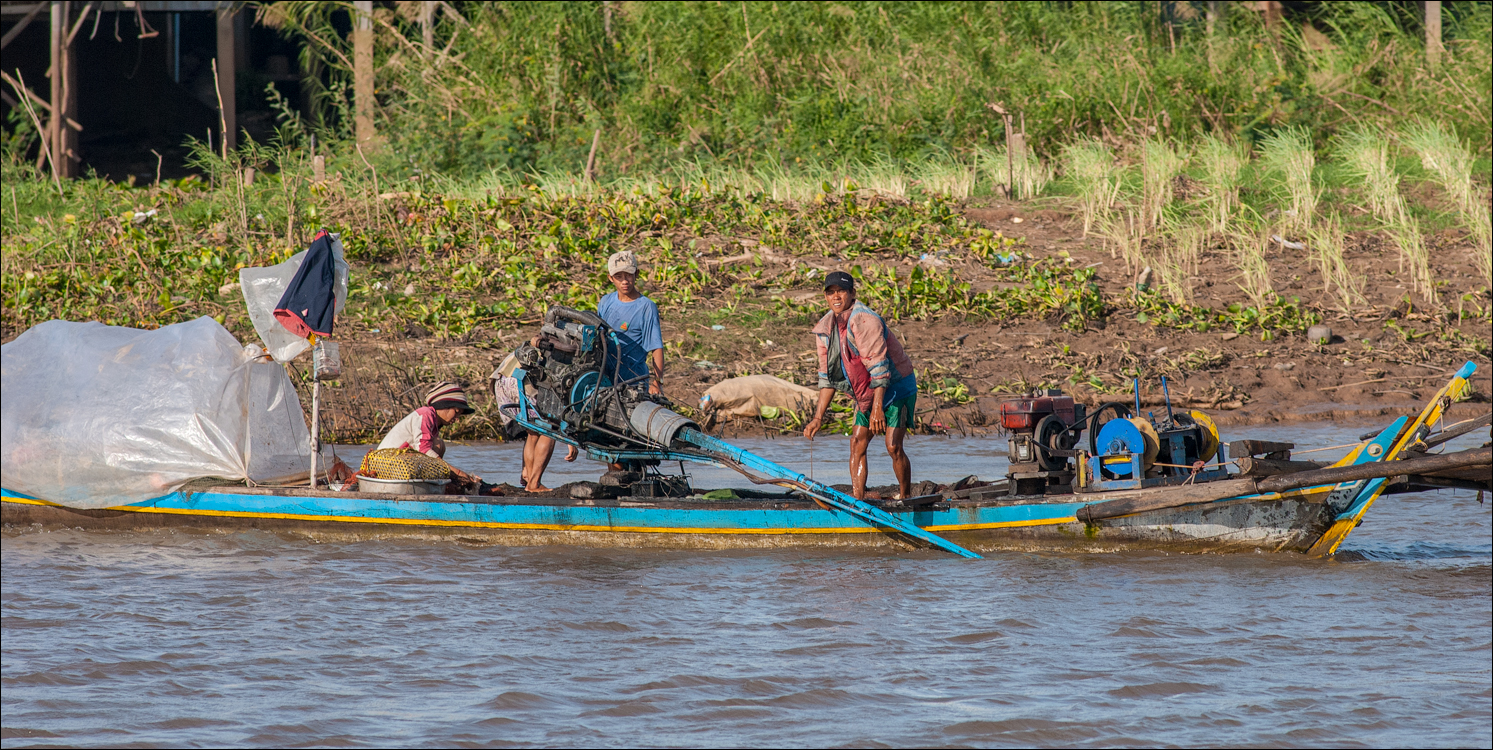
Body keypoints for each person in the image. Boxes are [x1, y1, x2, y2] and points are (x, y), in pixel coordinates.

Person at [802, 271, 919, 501]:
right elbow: (827, 377)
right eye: (831, 292)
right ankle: (858, 499)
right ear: (825, 297)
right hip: (866, 392)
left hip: (897, 387)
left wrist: (877, 410)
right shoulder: (824, 329)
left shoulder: (865, 321)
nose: (836, 297)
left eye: (841, 291)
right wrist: (818, 417)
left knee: (893, 446)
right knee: (857, 443)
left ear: (852, 293)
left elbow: (879, 369)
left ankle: (905, 498)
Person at [367, 381, 490, 493]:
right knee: (438, 445)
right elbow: (424, 450)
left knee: (439, 445)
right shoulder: (426, 414)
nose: (457, 419)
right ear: (444, 405)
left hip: (398, 465)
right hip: (387, 466)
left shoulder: (434, 423)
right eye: (456, 412)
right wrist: (457, 473)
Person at [491, 351, 577, 492]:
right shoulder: (572, 353)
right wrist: (570, 439)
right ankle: (534, 483)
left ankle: (528, 476)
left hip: (504, 376)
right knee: (550, 429)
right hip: (524, 379)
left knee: (533, 431)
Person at [597, 250, 664, 395]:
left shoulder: (646, 307)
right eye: (618, 276)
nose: (624, 281)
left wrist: (657, 383)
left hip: (633, 382)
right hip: (605, 378)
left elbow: (656, 347)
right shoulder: (605, 302)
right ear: (610, 278)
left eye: (628, 275)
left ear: (636, 274)